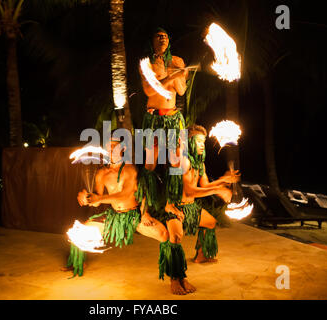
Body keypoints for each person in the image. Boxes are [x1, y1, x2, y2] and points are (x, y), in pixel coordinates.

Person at [61, 138, 169, 277]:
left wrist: (144, 213)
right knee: (79, 232)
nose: (111, 150)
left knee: (164, 235)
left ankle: (172, 271)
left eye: (115, 147)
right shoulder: (101, 173)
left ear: (122, 150)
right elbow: (97, 201)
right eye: (108, 148)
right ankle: (77, 263)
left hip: (135, 215)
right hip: (115, 216)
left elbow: (125, 194)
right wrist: (86, 197)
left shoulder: (130, 168)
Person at [158, 124, 240, 295]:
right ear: (188, 142)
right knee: (175, 237)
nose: (203, 145)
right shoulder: (184, 160)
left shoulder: (199, 163)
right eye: (198, 141)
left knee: (210, 222)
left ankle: (200, 255)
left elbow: (205, 185)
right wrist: (218, 190)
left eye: (204, 142)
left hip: (191, 207)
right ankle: (176, 279)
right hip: (176, 208)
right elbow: (190, 191)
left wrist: (222, 180)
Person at [137, 27, 189, 214]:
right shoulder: (147, 64)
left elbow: (181, 90)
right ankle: (145, 206)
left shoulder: (177, 61)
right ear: (152, 41)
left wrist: (176, 75)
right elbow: (149, 91)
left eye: (166, 36)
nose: (162, 39)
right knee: (150, 163)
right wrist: (171, 77)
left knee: (175, 160)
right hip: (154, 118)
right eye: (158, 36)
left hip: (173, 116)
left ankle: (172, 203)